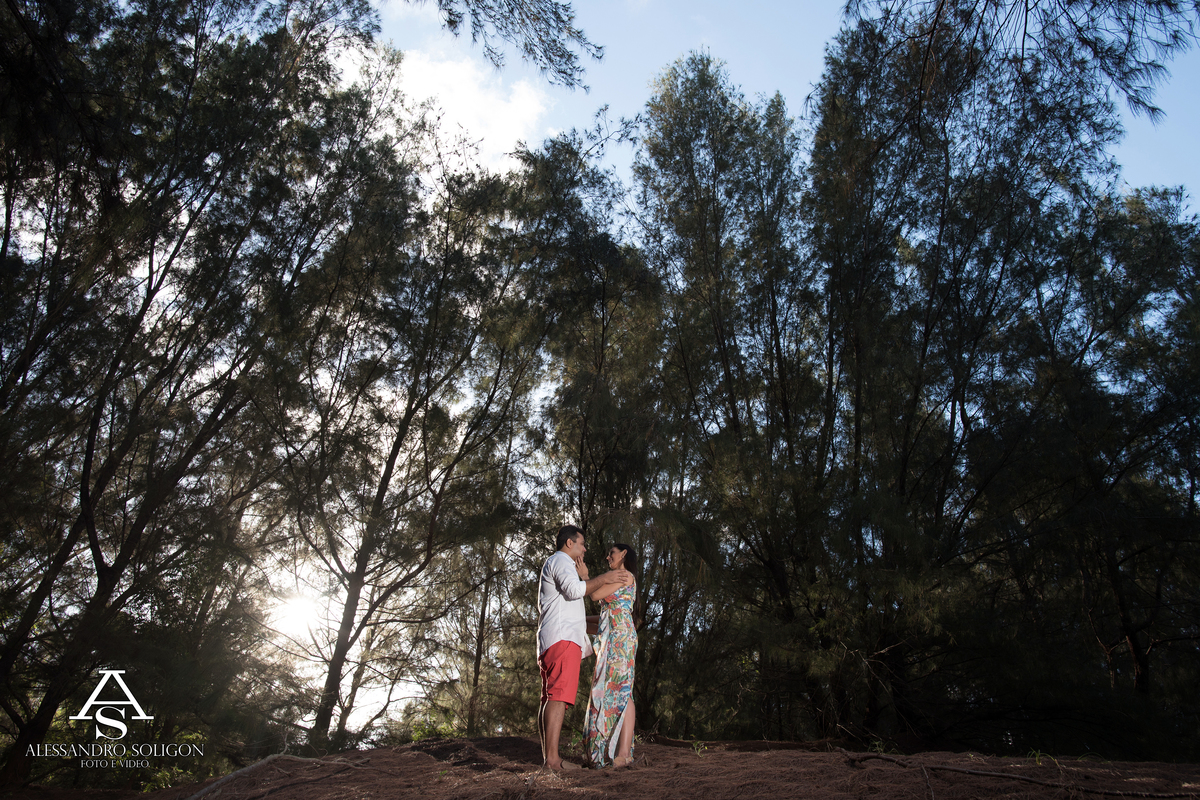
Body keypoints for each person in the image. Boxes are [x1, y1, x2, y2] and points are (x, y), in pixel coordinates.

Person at [537, 525, 631, 772]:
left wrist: (591, 580)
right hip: (562, 639)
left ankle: (551, 757)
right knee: (557, 696)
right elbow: (575, 591)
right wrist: (601, 578)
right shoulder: (561, 561)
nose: (585, 548)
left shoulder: (558, 564)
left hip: (564, 638)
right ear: (569, 543)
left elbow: (586, 611)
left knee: (551, 697)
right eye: (582, 543)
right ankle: (553, 761)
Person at [583, 542, 642, 768]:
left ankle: (624, 753)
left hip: (621, 637)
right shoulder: (618, 577)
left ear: (624, 554)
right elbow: (604, 608)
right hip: (613, 636)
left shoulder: (625, 575)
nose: (608, 557)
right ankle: (617, 751)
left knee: (624, 689)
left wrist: (586, 576)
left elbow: (595, 594)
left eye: (612, 554)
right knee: (615, 688)